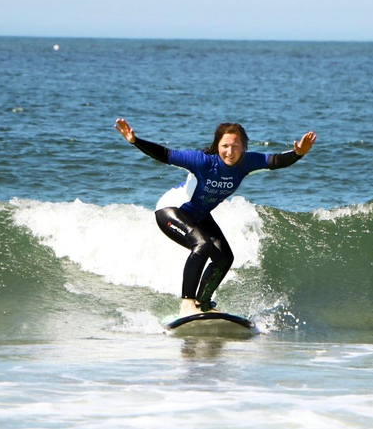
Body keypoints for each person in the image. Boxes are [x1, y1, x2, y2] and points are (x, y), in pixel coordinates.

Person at [115, 118, 316, 317]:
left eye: (235, 146)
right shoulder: (202, 162)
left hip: (199, 215)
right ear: (217, 146)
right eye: (225, 146)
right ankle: (187, 305)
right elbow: (165, 154)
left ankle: (203, 304)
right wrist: (135, 141)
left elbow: (275, 161)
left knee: (224, 257)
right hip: (171, 210)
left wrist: (298, 153)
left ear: (243, 147)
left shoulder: (247, 163)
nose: (230, 151)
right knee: (201, 244)